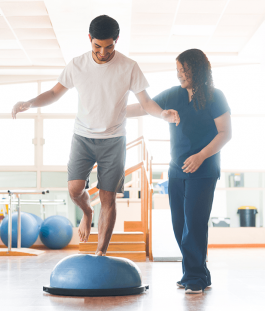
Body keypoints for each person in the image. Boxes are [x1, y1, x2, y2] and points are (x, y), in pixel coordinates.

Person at [11, 15, 180, 256]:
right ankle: (87, 212)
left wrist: (162, 114)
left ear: (116, 41)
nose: (103, 52)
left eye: (109, 46)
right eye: (97, 46)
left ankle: (100, 253)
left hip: (114, 140)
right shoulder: (77, 65)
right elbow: (53, 93)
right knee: (74, 189)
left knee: (108, 197)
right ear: (89, 39)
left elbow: (146, 102)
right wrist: (29, 102)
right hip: (83, 137)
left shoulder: (129, 67)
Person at [126, 49, 232, 294]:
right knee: (179, 225)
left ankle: (194, 277)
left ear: (198, 70)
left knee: (194, 224)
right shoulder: (174, 94)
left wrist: (201, 155)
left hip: (203, 169)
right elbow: (145, 107)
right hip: (177, 170)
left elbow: (225, 133)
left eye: (184, 71)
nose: (180, 75)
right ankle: (199, 274)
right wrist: (112, 110)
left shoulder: (216, 97)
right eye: (178, 70)